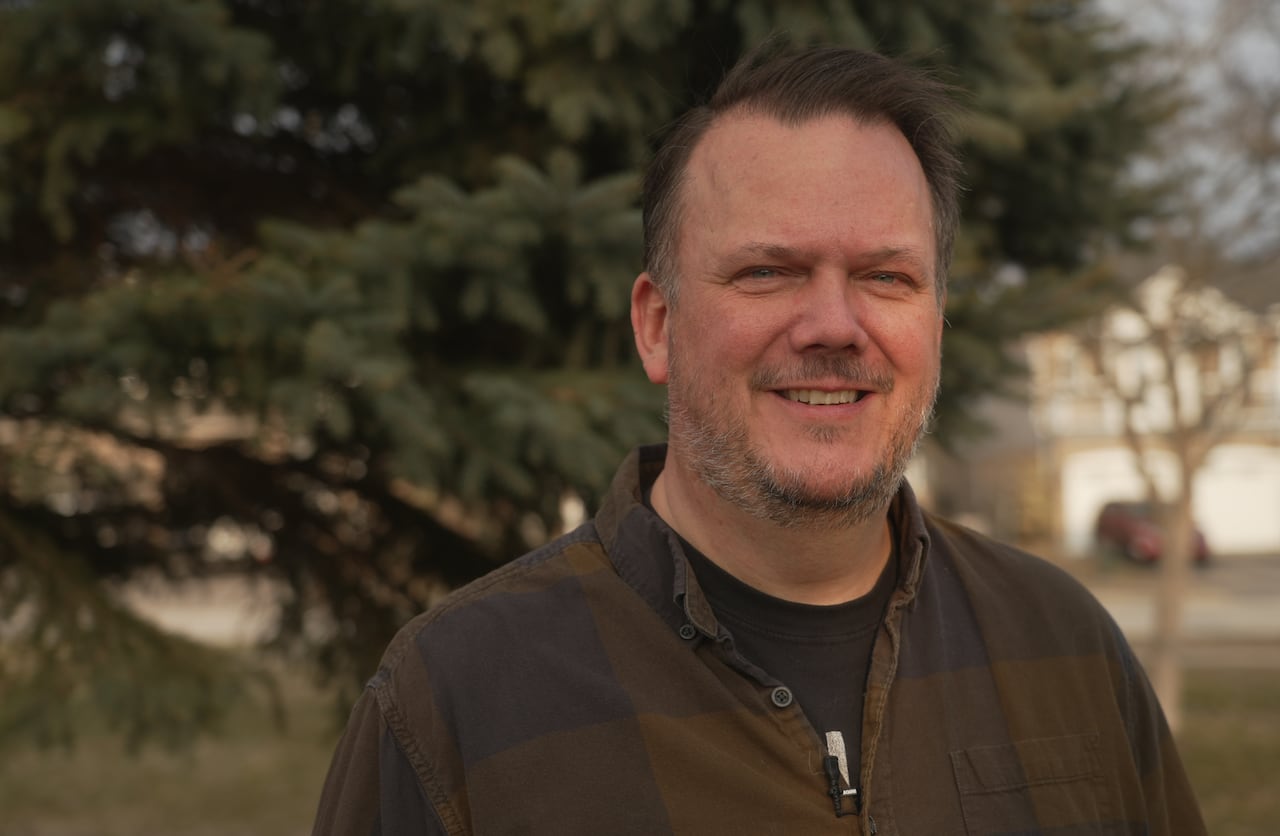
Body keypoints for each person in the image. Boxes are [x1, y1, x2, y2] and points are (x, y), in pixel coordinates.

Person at [312, 44, 1206, 835]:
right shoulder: (457, 700)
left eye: (886, 277)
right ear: (657, 325)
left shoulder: (1066, 646)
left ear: (935, 322)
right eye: (767, 271)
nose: (833, 325)